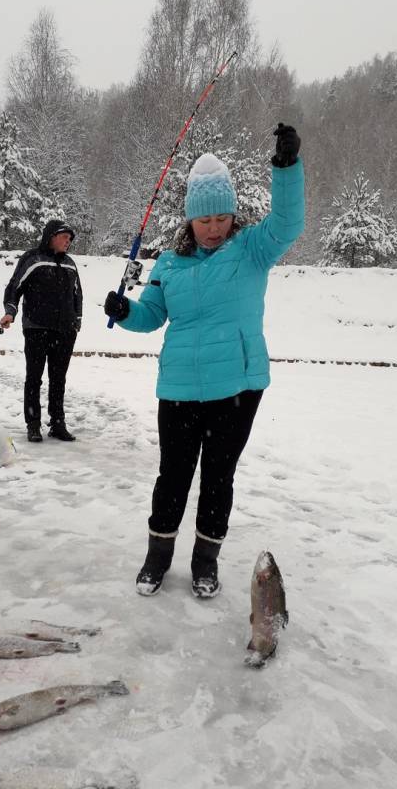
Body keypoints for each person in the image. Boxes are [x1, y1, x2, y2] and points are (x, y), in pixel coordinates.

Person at [104, 123, 304, 599]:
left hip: (236, 387)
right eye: (204, 218)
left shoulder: (253, 248)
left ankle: (205, 563)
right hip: (178, 388)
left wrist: (287, 167)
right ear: (190, 219)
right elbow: (152, 315)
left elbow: (289, 222)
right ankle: (158, 555)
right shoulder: (169, 263)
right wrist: (125, 311)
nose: (214, 226)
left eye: (221, 216)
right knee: (172, 473)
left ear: (232, 214)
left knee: (218, 477)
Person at [0, 219, 82, 443]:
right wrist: (10, 312)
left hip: (64, 331)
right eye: (64, 237)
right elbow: (14, 287)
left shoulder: (70, 264)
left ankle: (57, 423)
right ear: (51, 236)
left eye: (70, 238)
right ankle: (33, 424)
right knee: (34, 378)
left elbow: (78, 295)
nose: (68, 241)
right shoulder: (32, 259)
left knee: (58, 379)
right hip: (36, 328)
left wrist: (77, 321)